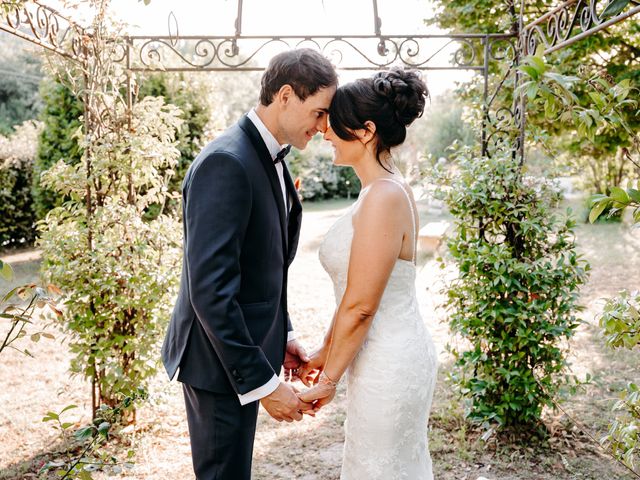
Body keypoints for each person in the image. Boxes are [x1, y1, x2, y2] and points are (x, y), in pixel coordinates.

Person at [161, 48, 338, 480]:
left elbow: (264, 270)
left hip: (242, 350)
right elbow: (211, 292)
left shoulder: (269, 157)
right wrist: (264, 383)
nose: (322, 126)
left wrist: (282, 334)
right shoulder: (227, 161)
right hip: (218, 364)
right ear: (284, 96)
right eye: (318, 112)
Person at [298, 67, 439, 479]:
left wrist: (328, 381)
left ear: (365, 131)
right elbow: (353, 291)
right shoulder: (379, 190)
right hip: (377, 355)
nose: (324, 133)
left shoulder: (384, 196)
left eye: (333, 125)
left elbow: (361, 306)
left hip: (390, 362)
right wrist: (326, 349)